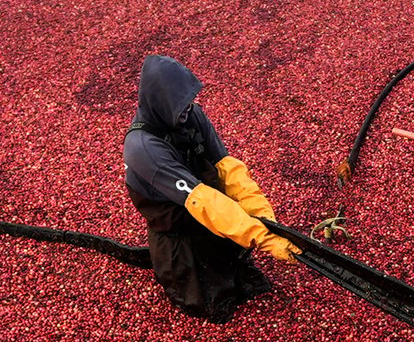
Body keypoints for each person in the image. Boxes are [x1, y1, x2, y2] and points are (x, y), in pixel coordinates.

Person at [123, 55, 299, 323]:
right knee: (210, 302)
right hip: (178, 232)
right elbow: (201, 200)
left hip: (211, 215)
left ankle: (226, 255)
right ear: (160, 103)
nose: (187, 109)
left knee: (245, 279)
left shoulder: (193, 115)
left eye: (188, 102)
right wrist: (259, 237)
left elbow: (228, 168)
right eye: (178, 105)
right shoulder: (143, 147)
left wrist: (265, 219)